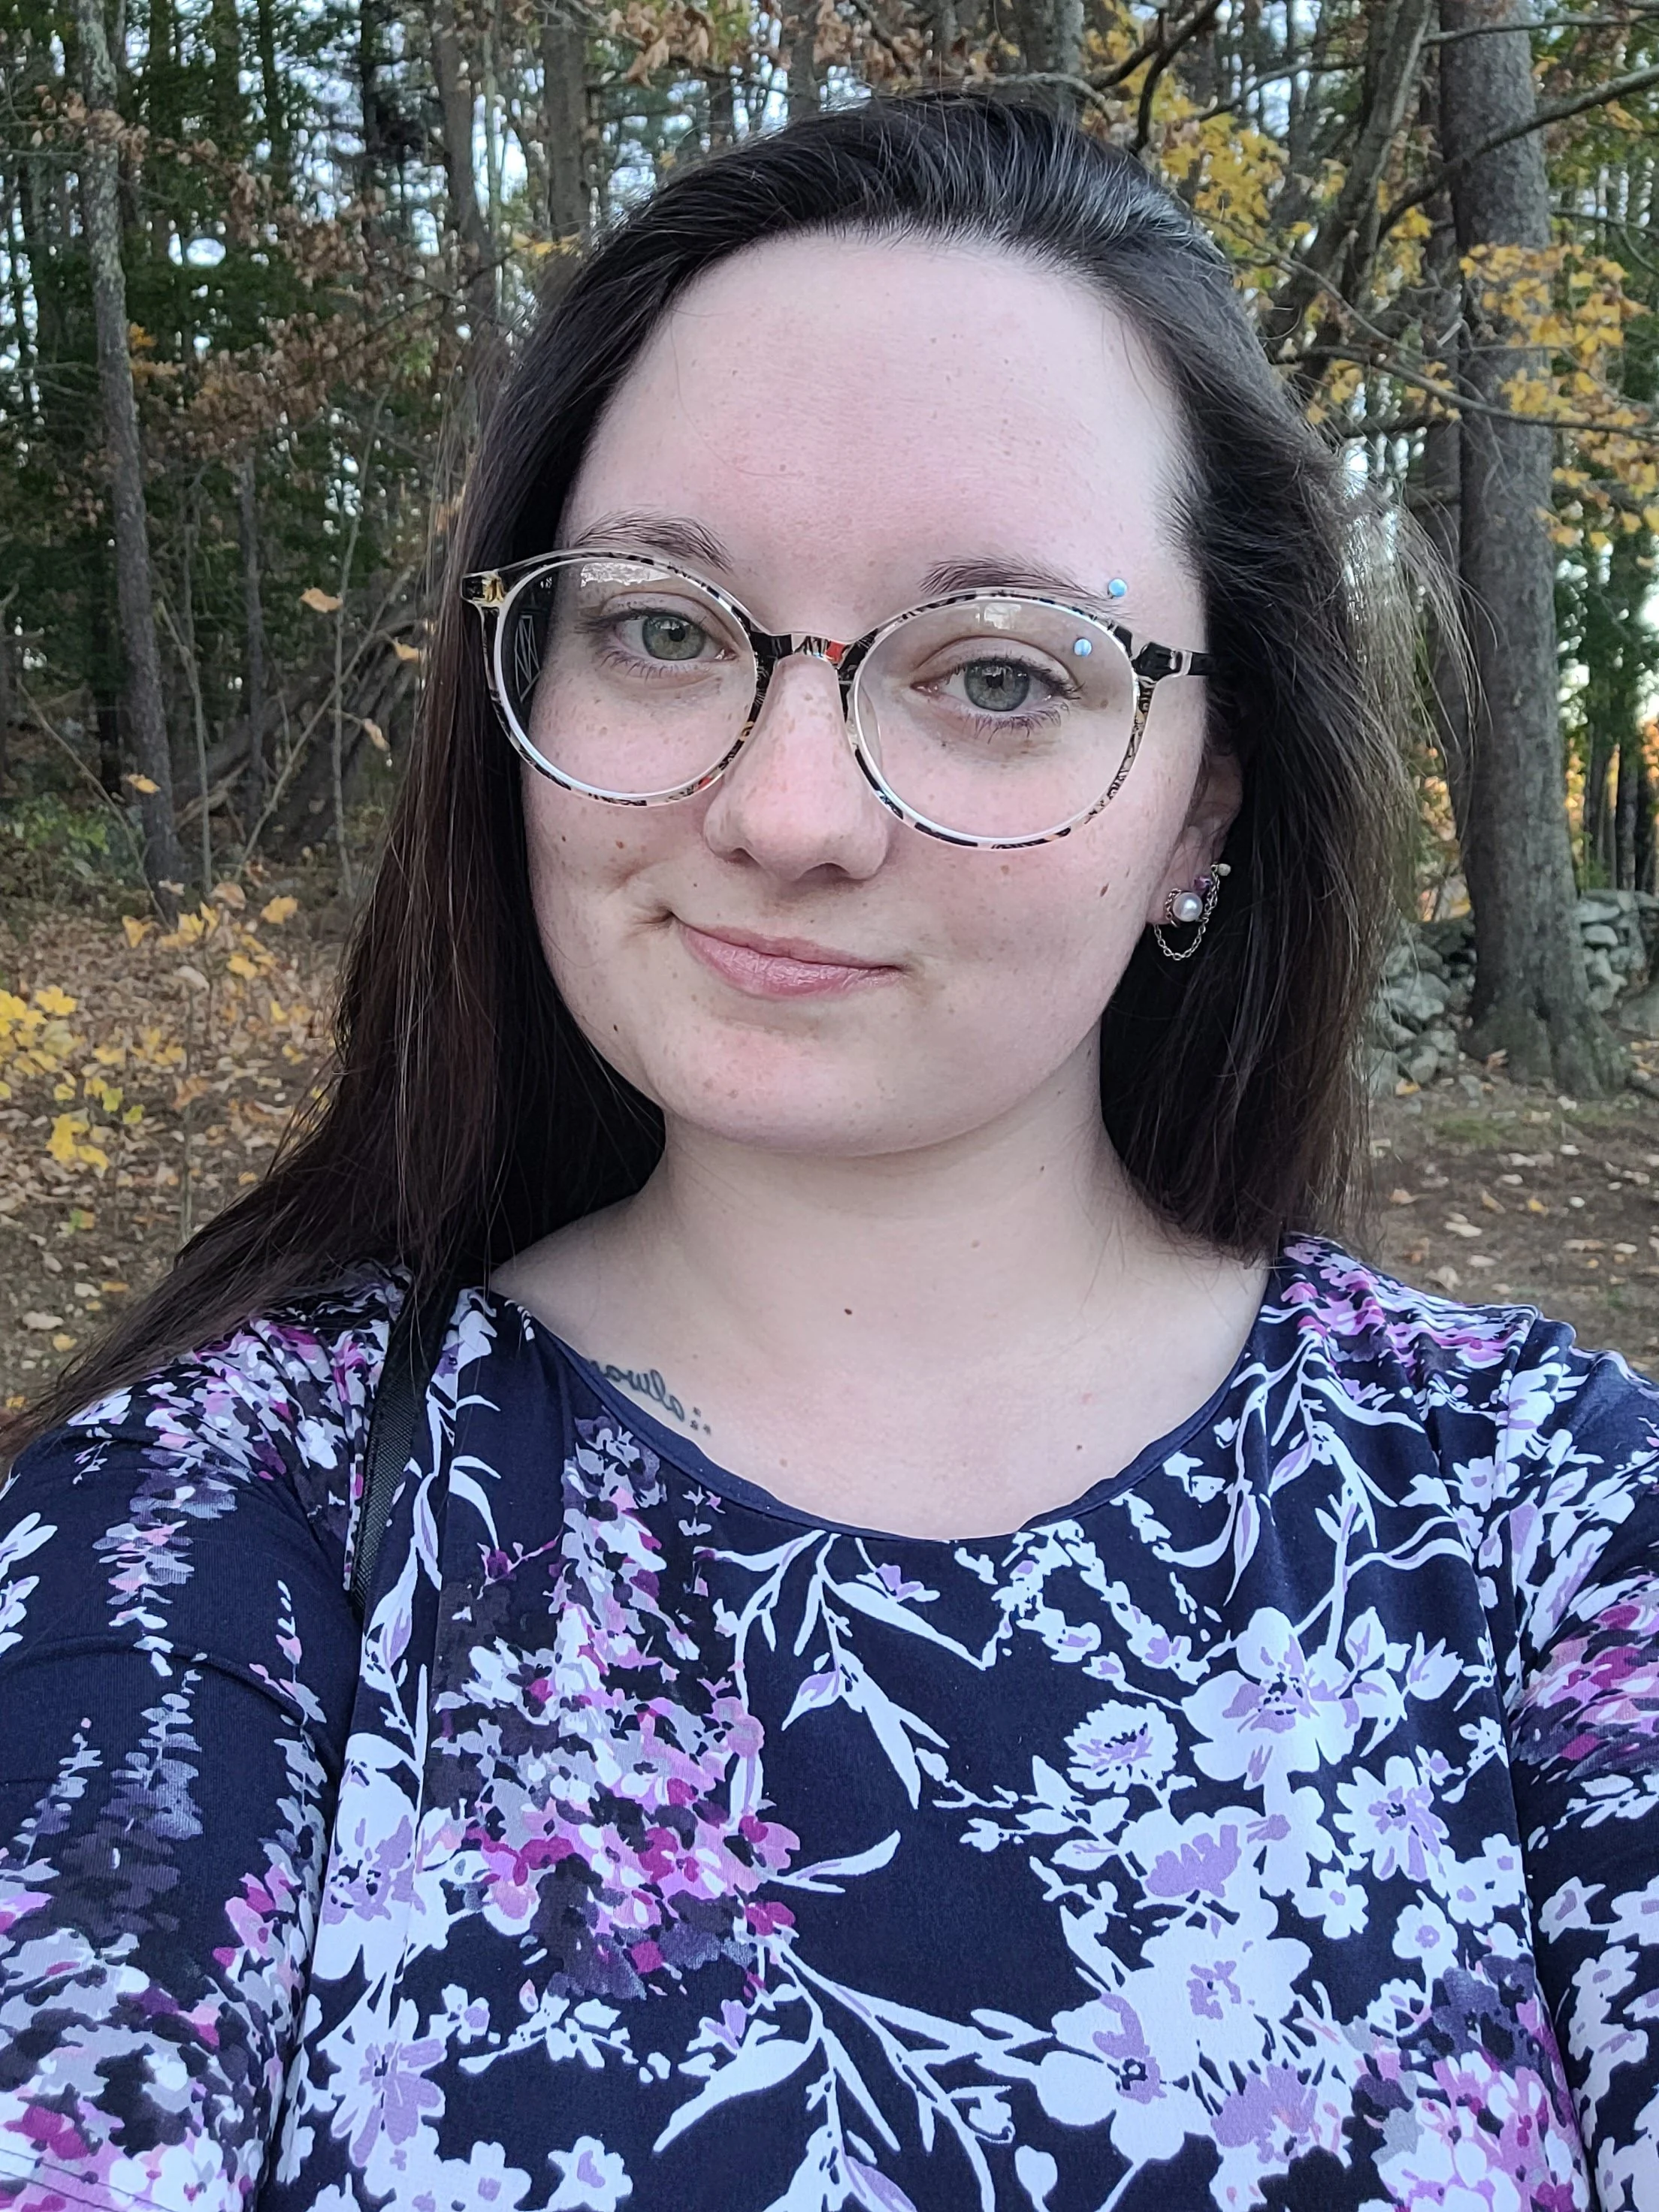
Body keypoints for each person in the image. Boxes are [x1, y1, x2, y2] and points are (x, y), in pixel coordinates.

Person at [1, 86, 1654, 2212]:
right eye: (663, 628)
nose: (787, 812)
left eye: (999, 675)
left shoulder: (1548, 1523)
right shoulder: (214, 1531)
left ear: (1206, 804)